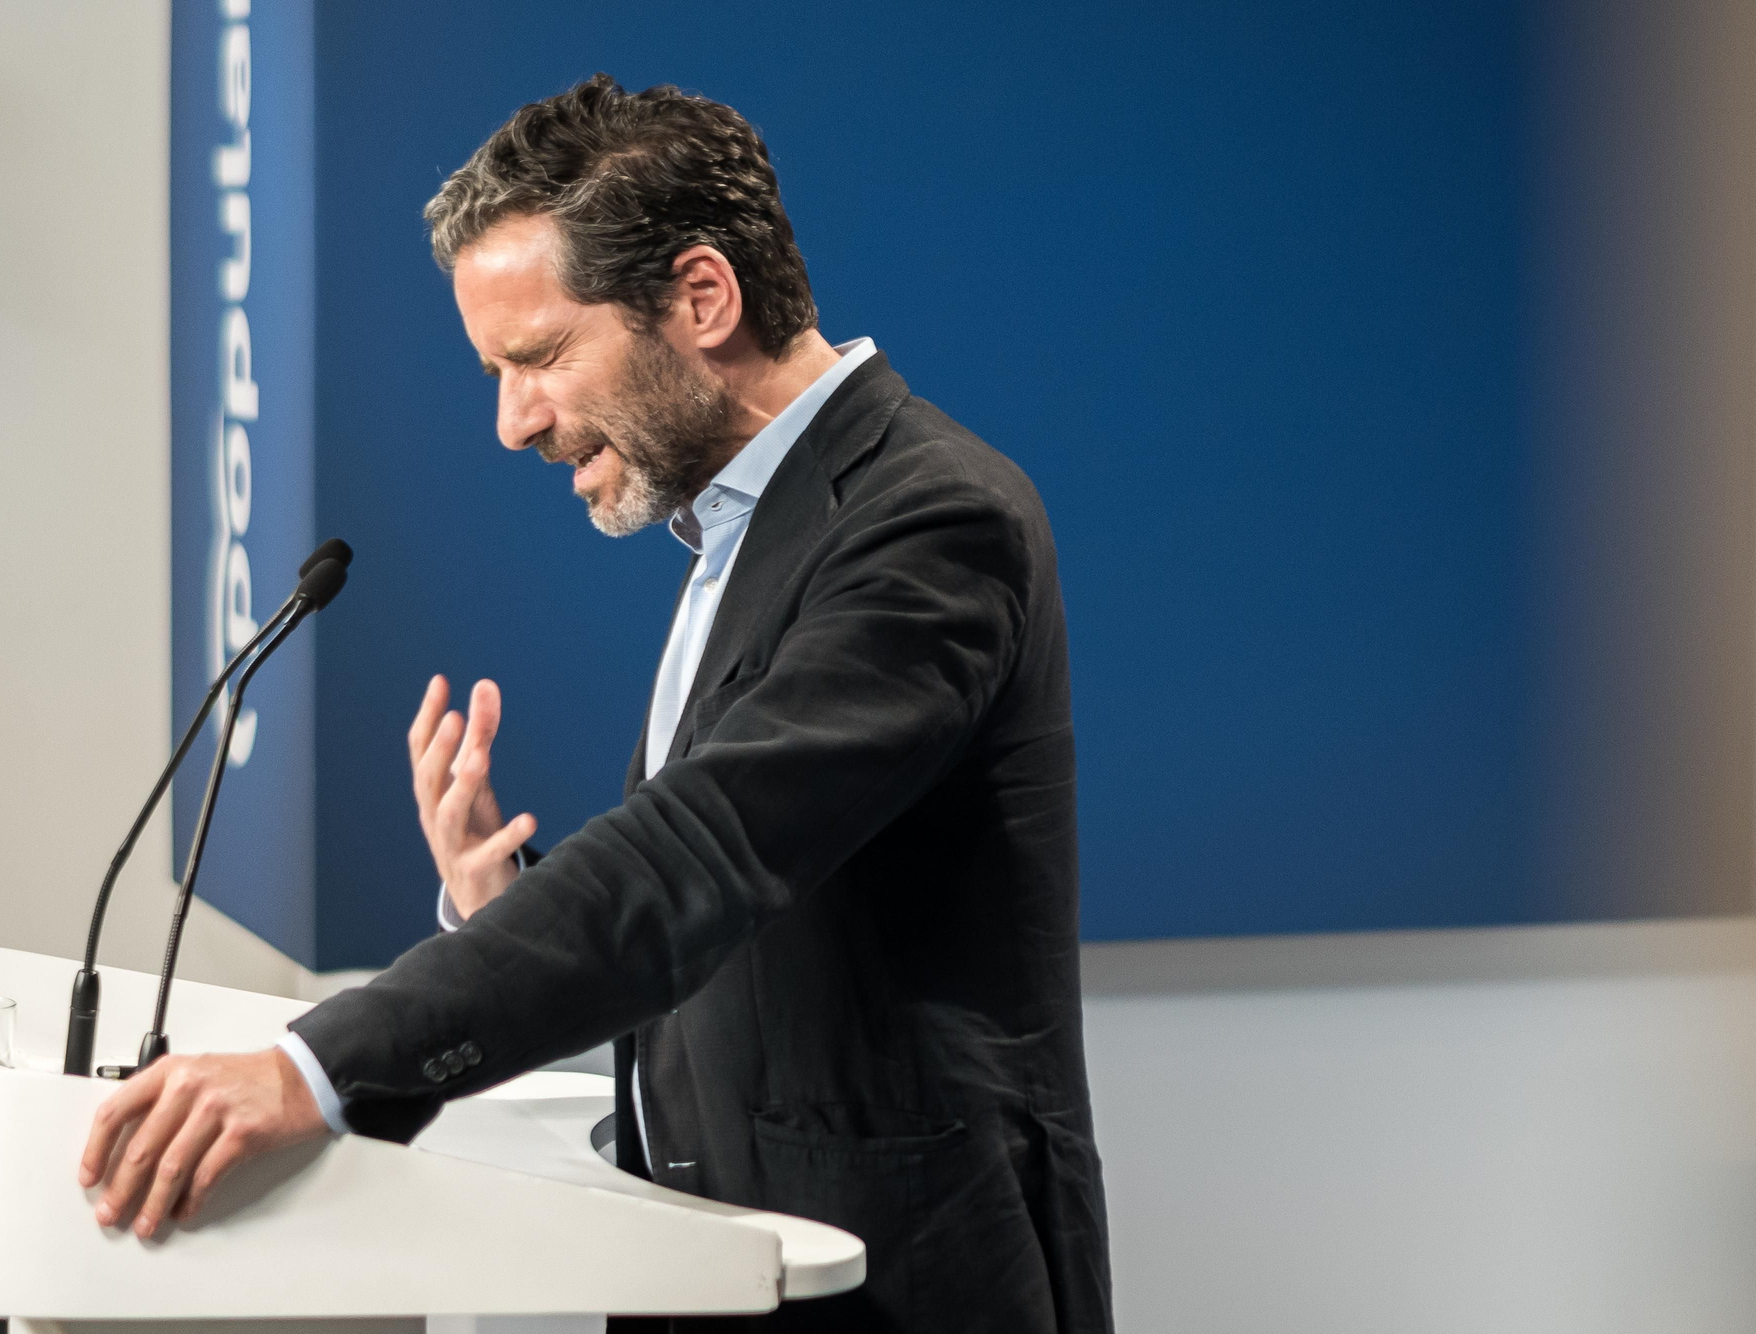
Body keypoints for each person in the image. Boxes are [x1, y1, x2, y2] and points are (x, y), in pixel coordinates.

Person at [79, 74, 1113, 1333]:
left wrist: (319, 1066)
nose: (513, 421)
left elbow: (705, 854)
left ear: (701, 297)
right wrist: (490, 912)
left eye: (538, 355)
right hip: (717, 1269)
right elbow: (741, 916)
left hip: (897, 1285)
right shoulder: (740, 523)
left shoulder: (932, 520)